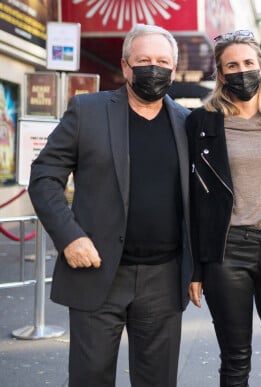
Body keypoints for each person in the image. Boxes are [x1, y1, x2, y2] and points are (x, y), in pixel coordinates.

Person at [28, 24, 193, 387]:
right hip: (97, 272)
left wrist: (196, 269)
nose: (154, 68)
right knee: (90, 378)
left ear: (174, 69)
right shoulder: (88, 110)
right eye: (144, 60)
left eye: (162, 61)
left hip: (164, 280)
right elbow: (44, 177)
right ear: (126, 66)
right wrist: (70, 237)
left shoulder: (186, 122)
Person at [186, 30, 261, 386]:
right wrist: (196, 267)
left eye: (249, 63)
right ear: (220, 74)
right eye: (232, 65)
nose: (242, 71)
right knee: (235, 361)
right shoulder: (201, 122)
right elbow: (193, 196)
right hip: (227, 251)